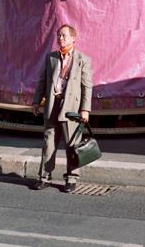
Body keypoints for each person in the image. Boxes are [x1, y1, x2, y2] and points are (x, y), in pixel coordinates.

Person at [32, 24, 93, 193]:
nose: (60, 38)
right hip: (53, 104)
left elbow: (87, 86)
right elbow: (42, 81)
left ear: (73, 38)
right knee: (48, 143)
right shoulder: (51, 58)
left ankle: (71, 178)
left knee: (72, 144)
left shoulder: (83, 59)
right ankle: (44, 177)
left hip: (71, 108)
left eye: (64, 36)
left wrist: (85, 109)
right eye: (59, 36)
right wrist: (36, 102)